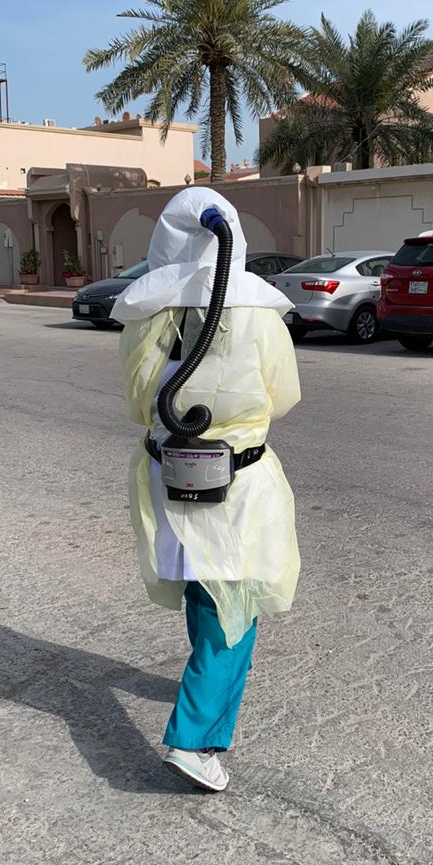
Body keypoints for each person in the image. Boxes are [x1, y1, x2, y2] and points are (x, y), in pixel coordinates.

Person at [112, 189, 301, 792]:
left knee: (203, 585)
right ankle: (193, 741)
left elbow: (138, 401)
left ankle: (202, 686)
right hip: (235, 481)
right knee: (233, 609)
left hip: (169, 477)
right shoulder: (258, 314)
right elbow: (283, 396)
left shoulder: (146, 314)